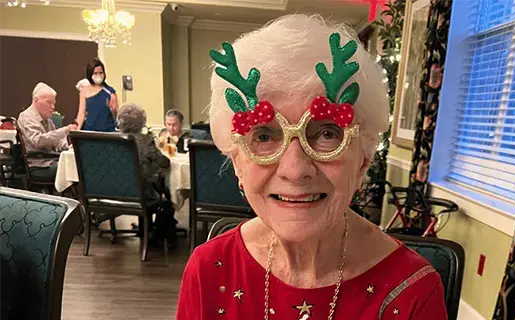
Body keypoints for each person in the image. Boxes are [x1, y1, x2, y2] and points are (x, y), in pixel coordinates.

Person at [176, 15, 447, 320]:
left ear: (364, 159)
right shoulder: (209, 272)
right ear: (238, 161)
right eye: (264, 136)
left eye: (327, 134)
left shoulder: (413, 291)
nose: (294, 170)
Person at [117, 103, 178, 246]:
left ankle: (149, 228)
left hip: (117, 192)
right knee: (162, 190)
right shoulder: (145, 141)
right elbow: (164, 162)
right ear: (142, 122)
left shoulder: (111, 141)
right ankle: (159, 231)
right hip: (142, 194)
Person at [17, 83, 76, 181]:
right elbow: (38, 141)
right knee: (75, 170)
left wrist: (71, 146)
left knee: (78, 167)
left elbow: (57, 143)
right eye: (49, 102)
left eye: (54, 103)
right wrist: (64, 130)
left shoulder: (48, 120)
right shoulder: (26, 117)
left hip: (51, 160)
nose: (53, 107)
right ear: (36, 101)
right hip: (38, 165)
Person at [76, 58, 118, 132]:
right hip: (90, 132)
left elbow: (116, 115)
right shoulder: (84, 91)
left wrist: (113, 110)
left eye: (101, 73)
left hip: (107, 132)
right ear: (90, 74)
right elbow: (81, 115)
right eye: (95, 73)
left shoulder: (110, 91)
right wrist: (76, 131)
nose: (98, 75)